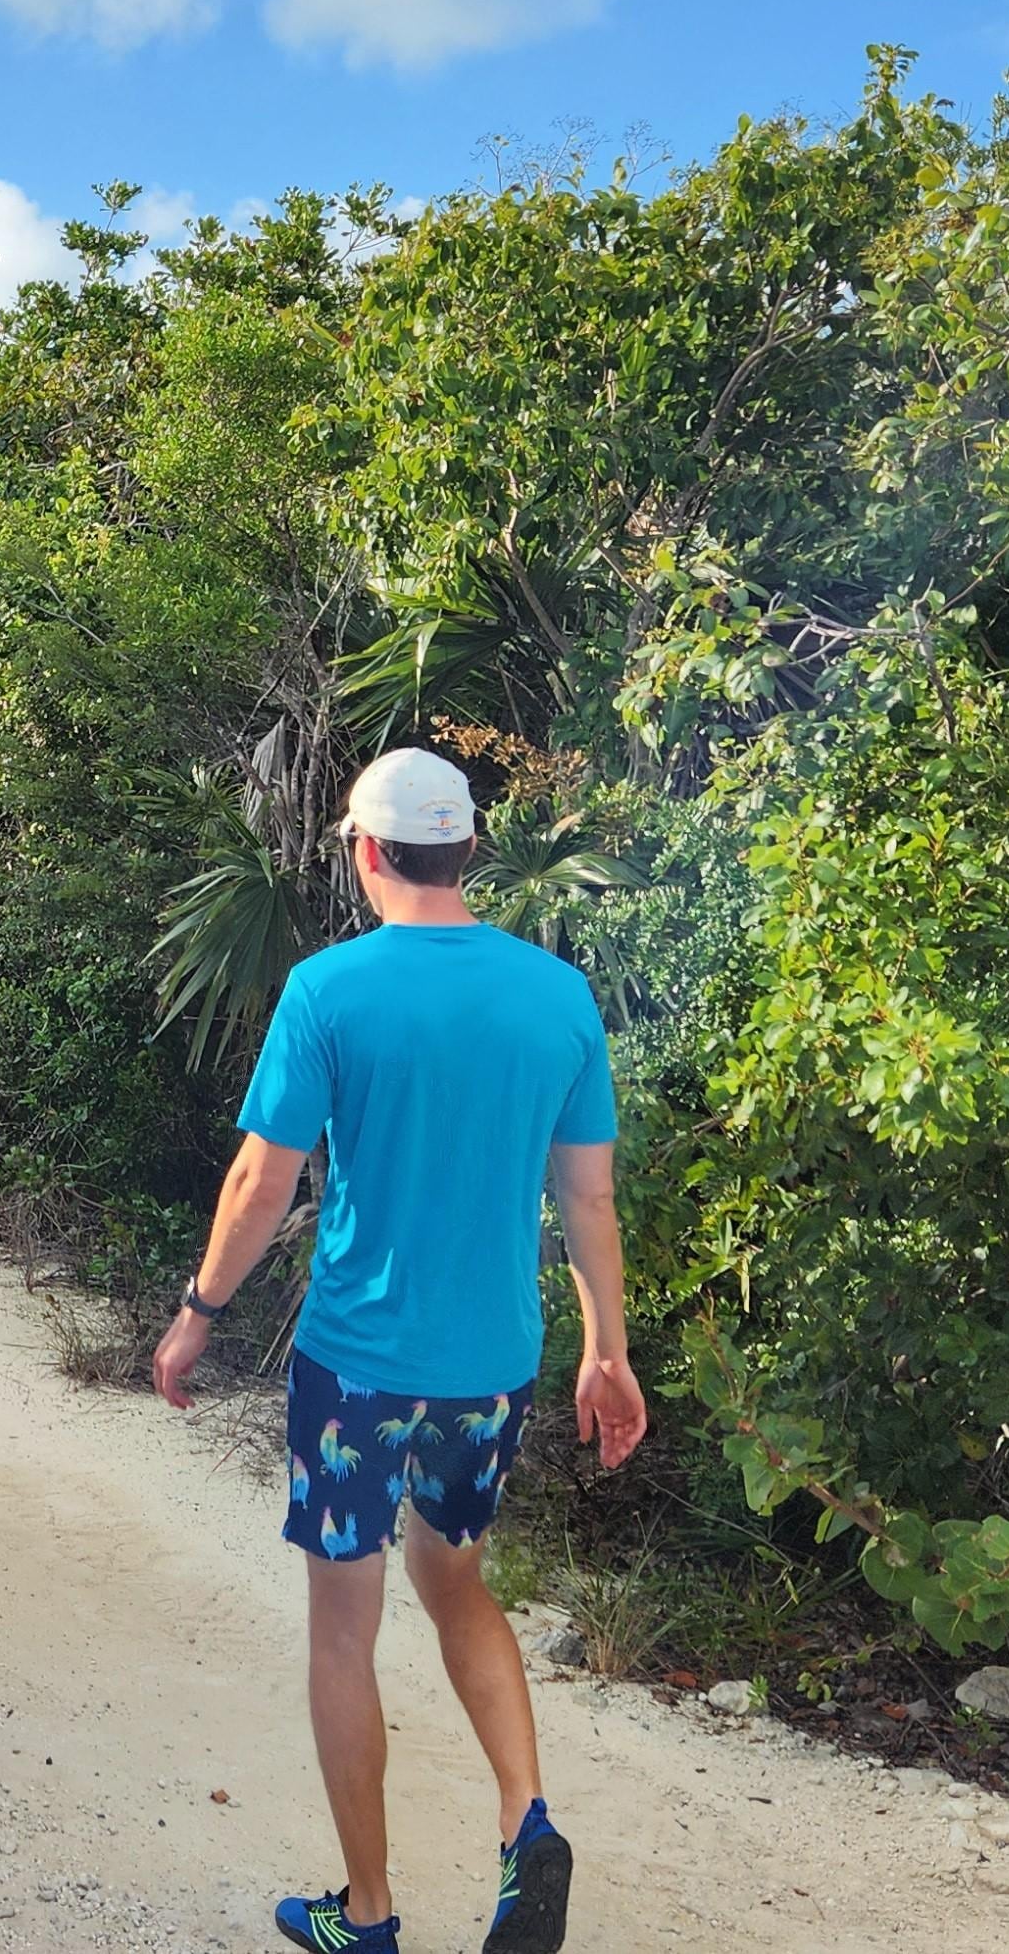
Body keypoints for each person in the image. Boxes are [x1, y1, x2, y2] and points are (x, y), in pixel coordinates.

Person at [151, 747, 649, 1954]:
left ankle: (364, 1918)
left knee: (343, 1627)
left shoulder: (329, 991)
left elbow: (262, 1178)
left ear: (366, 851)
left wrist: (198, 1310)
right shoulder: (555, 995)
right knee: (456, 1578)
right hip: (491, 1361)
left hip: (356, 1365)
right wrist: (607, 1351)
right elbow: (587, 1199)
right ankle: (524, 1820)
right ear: (468, 848)